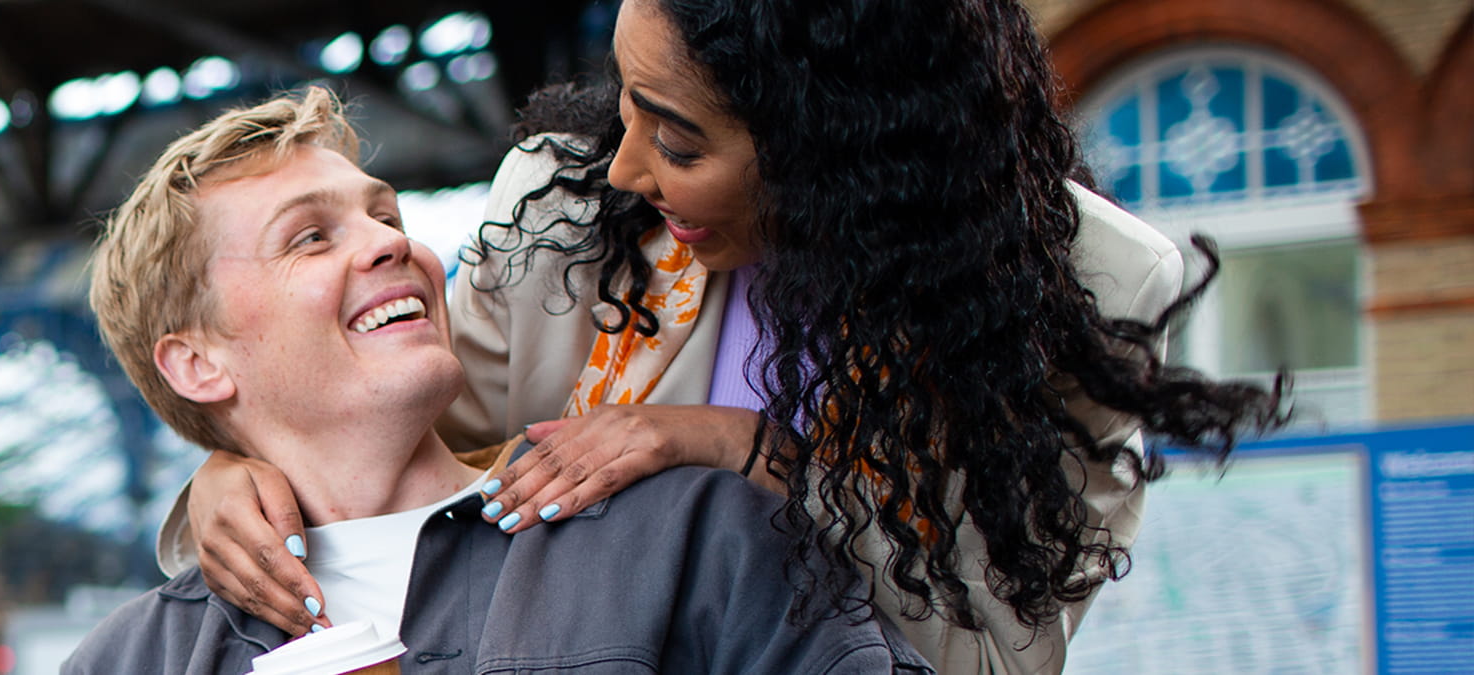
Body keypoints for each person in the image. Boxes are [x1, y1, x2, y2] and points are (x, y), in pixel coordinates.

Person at [171, 0, 1292, 672]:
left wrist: (731, 445)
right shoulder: (571, 215)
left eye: (679, 137)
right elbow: (384, 446)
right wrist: (235, 468)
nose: (626, 166)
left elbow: (986, 656)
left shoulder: (1083, 292)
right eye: (626, 101)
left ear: (831, 148)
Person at [65, 86, 928, 675]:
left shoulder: (694, 536)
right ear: (196, 364)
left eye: (385, 216)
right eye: (309, 238)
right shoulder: (132, 655)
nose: (391, 242)